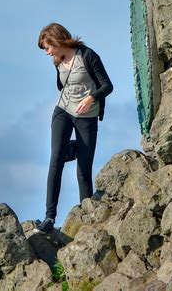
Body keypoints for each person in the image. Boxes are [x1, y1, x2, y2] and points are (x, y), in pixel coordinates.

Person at [35, 22, 113, 233]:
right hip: (62, 111)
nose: (47, 52)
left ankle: (87, 219)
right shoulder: (57, 61)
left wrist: (91, 98)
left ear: (57, 40)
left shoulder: (87, 55)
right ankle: (49, 218)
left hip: (87, 116)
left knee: (83, 170)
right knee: (56, 160)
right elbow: (63, 86)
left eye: (47, 47)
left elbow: (107, 85)